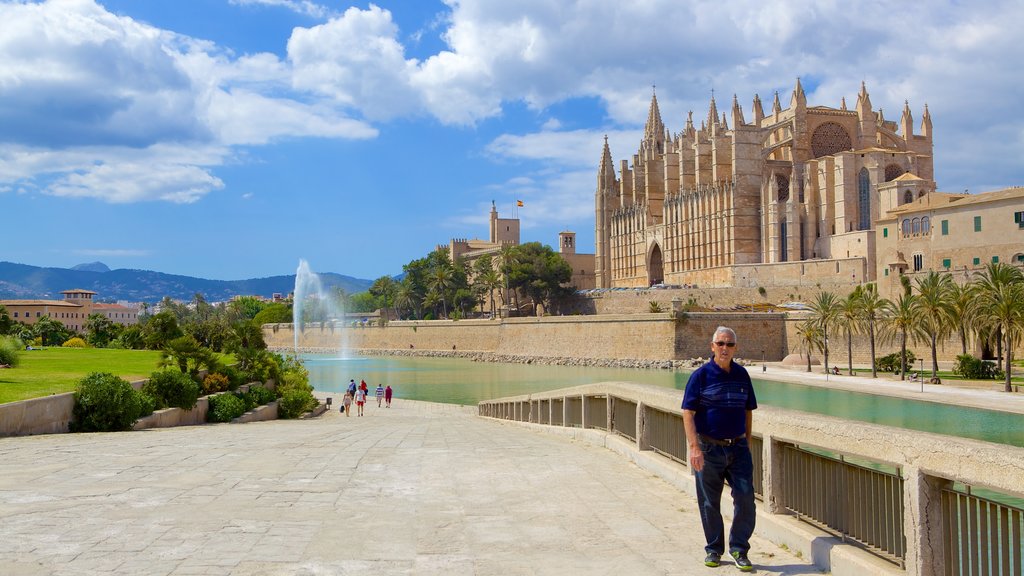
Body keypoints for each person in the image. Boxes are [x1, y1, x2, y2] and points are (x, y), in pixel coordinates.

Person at [682, 326, 758, 572]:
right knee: (708, 502)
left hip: (738, 448)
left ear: (735, 348)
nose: (725, 348)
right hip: (708, 448)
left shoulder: (742, 375)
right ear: (712, 346)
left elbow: (748, 410)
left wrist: (746, 439)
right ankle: (714, 549)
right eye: (721, 344)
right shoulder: (700, 376)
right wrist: (694, 447)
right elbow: (688, 412)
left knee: (746, 498)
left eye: (730, 344)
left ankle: (739, 548)